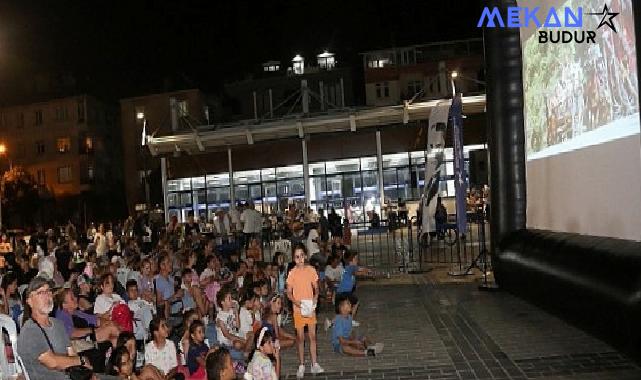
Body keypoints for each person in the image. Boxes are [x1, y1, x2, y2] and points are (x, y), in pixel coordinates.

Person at [18, 276, 91, 380]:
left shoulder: (58, 324)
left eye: (48, 291)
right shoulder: (30, 331)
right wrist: (81, 360)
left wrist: (87, 373)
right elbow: (53, 362)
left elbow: (71, 353)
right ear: (30, 301)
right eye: (41, 292)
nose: (47, 295)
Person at [286, 244, 324, 378]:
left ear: (305, 256)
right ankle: (301, 364)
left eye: (302, 256)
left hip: (310, 308)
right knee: (300, 338)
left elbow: (316, 287)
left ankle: (314, 363)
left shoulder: (311, 270)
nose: (300, 259)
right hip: (298, 309)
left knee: (312, 336)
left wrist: (315, 296)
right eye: (297, 257)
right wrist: (297, 303)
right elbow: (289, 293)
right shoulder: (292, 273)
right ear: (293, 258)